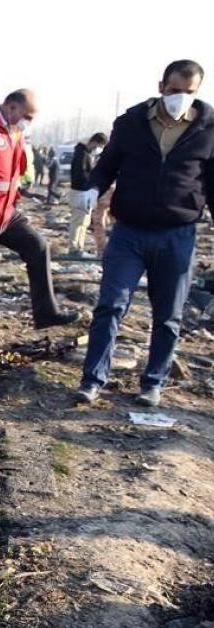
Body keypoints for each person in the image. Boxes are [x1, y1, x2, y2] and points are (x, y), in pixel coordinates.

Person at [75, 59, 213, 408]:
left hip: (178, 234)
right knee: (110, 305)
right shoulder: (132, 122)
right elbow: (107, 164)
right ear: (161, 87)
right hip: (129, 233)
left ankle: (153, 382)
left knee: (168, 315)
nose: (180, 98)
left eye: (188, 92)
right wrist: (93, 187)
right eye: (174, 90)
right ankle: (92, 380)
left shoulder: (209, 129)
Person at [0, 90, 78, 354]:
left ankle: (47, 313)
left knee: (38, 247)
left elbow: (13, 173)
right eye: (27, 116)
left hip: (6, 214)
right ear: (11, 107)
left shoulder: (14, 131)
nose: (29, 122)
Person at [67, 133, 109, 256]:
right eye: (100, 146)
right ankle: (74, 248)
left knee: (83, 222)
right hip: (80, 191)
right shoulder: (81, 154)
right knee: (77, 222)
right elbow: (79, 174)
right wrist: (91, 181)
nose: (98, 149)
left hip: (85, 192)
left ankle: (79, 247)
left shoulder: (86, 153)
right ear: (94, 142)